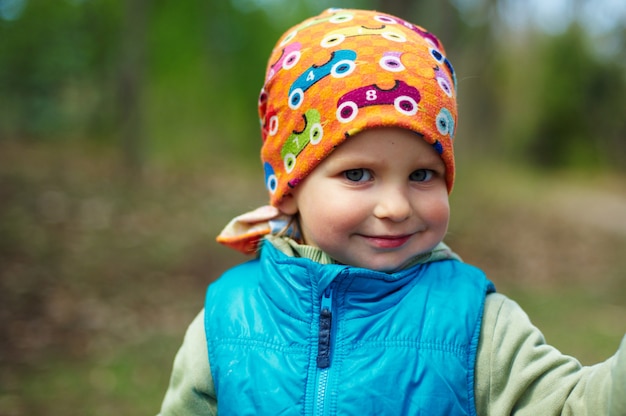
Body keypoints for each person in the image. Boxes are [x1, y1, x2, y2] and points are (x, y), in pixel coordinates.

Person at [158, 8, 626, 415]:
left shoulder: (479, 325)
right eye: (358, 175)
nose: (396, 207)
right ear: (288, 189)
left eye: (422, 175)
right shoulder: (227, 320)